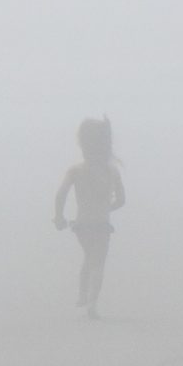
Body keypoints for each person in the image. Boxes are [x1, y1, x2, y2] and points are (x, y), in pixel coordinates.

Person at [54, 117, 126, 319]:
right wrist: (107, 207)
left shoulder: (76, 170)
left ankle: (82, 293)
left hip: (82, 225)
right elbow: (121, 200)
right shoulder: (111, 171)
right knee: (98, 263)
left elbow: (61, 194)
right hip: (101, 224)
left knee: (89, 256)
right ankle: (92, 303)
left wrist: (59, 217)